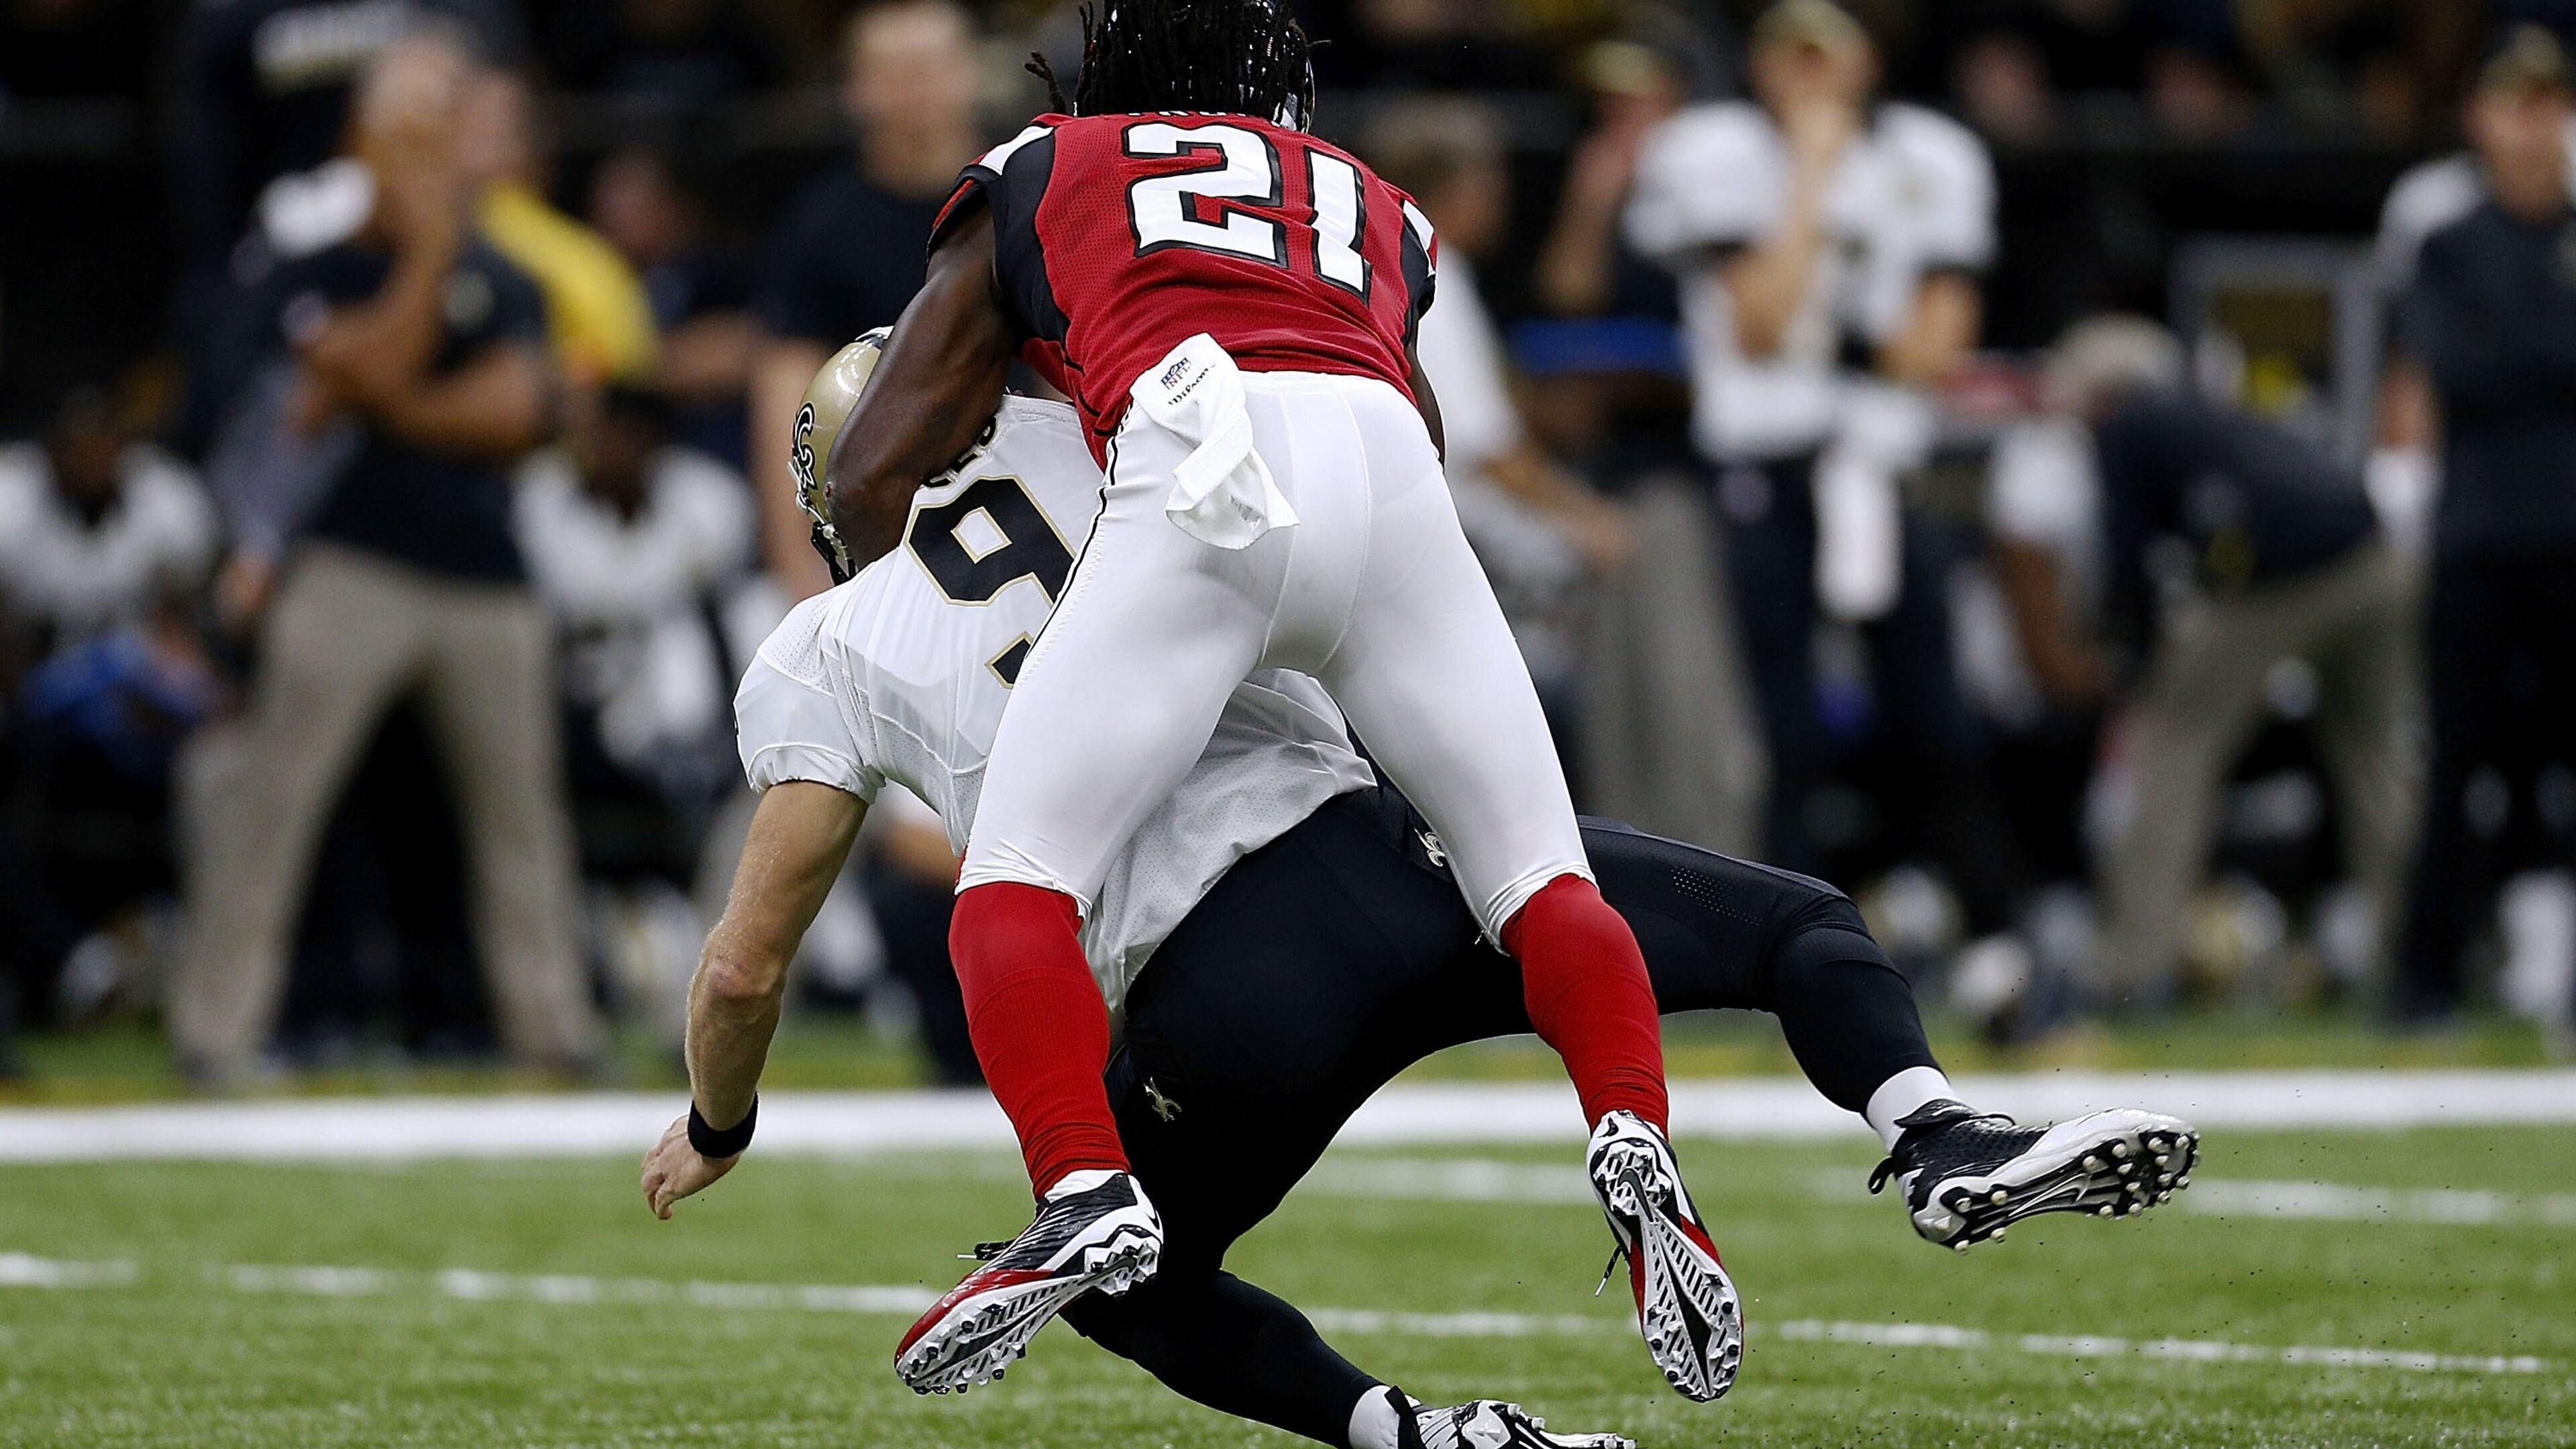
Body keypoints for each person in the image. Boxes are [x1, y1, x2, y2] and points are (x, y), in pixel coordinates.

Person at [638, 336, 2201, 1448]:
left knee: (1128, 1282)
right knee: (1798, 921)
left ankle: (1398, 1429)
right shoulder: (1108, 432)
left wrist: (718, 1121)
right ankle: (1929, 1127)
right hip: (1404, 870)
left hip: (1213, 1003)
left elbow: (741, 972)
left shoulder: (821, 648)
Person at [824, 0, 1737, 1401]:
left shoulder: (1040, 162)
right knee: (1544, 878)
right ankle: (1636, 1136)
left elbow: (881, 455)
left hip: (1203, 460)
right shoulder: (1374, 196)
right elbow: (1412, 420)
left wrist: (891, 588)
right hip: (1387, 467)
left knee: (1014, 881)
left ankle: (1083, 1184)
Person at [171, 39, 604, 1086]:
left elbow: (517, 409)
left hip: (486, 576)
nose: (427, 156)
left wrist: (386, 396)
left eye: (440, 132)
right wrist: (422, 265)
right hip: (347, 569)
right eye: (405, 132)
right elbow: (347, 367)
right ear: (362, 142)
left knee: (523, 817)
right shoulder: (307, 266)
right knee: (277, 799)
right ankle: (215, 1033)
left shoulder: (505, 273)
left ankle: (557, 1033)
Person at [1624, 0, 2028, 983]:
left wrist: (1846, 330)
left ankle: (1993, 942)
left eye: (1825, 51)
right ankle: (1790, 960)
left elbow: (1930, 351)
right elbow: (1761, 320)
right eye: (1786, 50)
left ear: (1867, 59)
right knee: (1781, 726)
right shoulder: (1713, 150)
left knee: (1933, 715)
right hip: (1764, 463)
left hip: (1882, 470)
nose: (1805, 73)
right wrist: (1812, 169)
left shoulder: (1933, 156)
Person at [1988, 317, 2414, 1012]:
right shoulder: (2208, 411)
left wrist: (2135, 661)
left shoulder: (2125, 428)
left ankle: (2131, 968)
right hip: (2375, 559)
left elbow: (2131, 568)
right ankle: (2415, 965)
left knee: (2170, 749)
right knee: (2379, 767)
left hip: (2281, 582)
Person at [2391, 27, 2576, 1024]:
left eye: (2551, 104)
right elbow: (2458, 372)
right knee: (2460, 761)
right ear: (2480, 119)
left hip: (2569, 539)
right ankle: (2427, 977)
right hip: (2480, 538)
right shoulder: (2449, 238)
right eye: (2516, 104)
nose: (2535, 126)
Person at [746, 0, 987, 598]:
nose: (915, 92)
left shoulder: (1024, 202)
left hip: (1020, 489)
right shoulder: (821, 226)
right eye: (892, 73)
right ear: (854, 89)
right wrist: (800, 576)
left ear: (971, 73)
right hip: (876, 509)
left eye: (930, 68)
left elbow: (1071, 373)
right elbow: (788, 401)